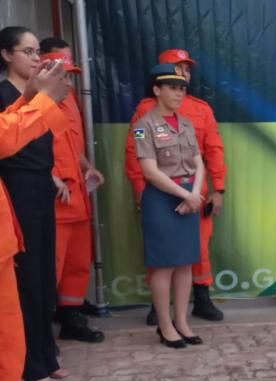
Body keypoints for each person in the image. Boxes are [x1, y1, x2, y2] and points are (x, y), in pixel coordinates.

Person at [0, 26, 68, 381]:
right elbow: (7, 138)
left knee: (37, 285)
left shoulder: (21, 95)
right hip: (17, 197)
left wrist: (35, 98)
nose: (35, 57)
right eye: (26, 51)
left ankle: (41, 359)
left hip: (26, 205)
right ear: (6, 54)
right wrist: (40, 100)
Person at [125, 49, 226, 326]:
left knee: (197, 249)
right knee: (162, 254)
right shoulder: (145, 113)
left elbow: (212, 151)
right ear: (158, 84)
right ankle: (160, 310)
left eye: (187, 70)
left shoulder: (200, 110)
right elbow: (134, 154)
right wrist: (140, 190)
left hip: (195, 193)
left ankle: (200, 299)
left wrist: (217, 189)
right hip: (160, 194)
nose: (183, 76)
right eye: (176, 69)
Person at [133, 63, 205, 348]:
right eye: (173, 88)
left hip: (188, 195)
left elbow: (199, 162)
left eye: (182, 89)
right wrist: (185, 195)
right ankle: (165, 326)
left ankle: (182, 322)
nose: (179, 93)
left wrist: (194, 193)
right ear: (157, 90)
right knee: (164, 266)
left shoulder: (186, 123)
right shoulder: (144, 125)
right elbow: (150, 171)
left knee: (185, 263)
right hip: (162, 198)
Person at [37, 46, 105, 343]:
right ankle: (41, 332)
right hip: (55, 201)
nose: (68, 83)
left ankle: (71, 318)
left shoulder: (69, 102)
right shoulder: (35, 107)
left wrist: (89, 167)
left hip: (77, 196)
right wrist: (51, 177)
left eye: (69, 77)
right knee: (50, 267)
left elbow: (72, 148)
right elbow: (26, 151)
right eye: (63, 77)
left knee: (78, 262)